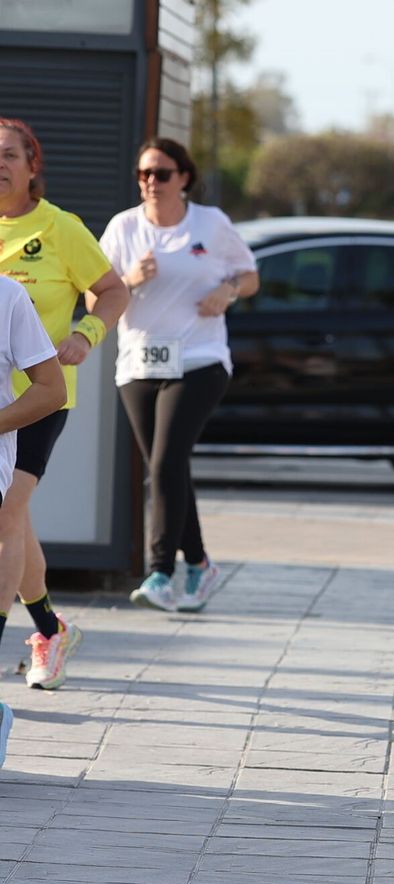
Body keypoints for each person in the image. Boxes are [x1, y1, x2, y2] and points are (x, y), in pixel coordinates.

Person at [100, 137, 258, 615]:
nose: (151, 182)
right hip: (139, 363)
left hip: (200, 359)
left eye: (161, 174)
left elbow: (250, 275)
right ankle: (201, 562)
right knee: (166, 468)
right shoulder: (123, 228)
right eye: (144, 174)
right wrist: (128, 280)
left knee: (166, 461)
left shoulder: (210, 223)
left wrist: (227, 291)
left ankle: (161, 571)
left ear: (183, 178)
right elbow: (94, 297)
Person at [0, 117, 128, 690]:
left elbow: (114, 291)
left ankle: (35, 636)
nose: (0, 164)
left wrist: (86, 335)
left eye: (9, 155)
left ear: (33, 166)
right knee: (15, 517)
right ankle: (50, 628)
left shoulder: (61, 228)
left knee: (7, 512)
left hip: (41, 399)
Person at [0, 276, 68, 763]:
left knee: (12, 520)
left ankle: (47, 628)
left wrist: (87, 333)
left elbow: (51, 389)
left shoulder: (7, 296)